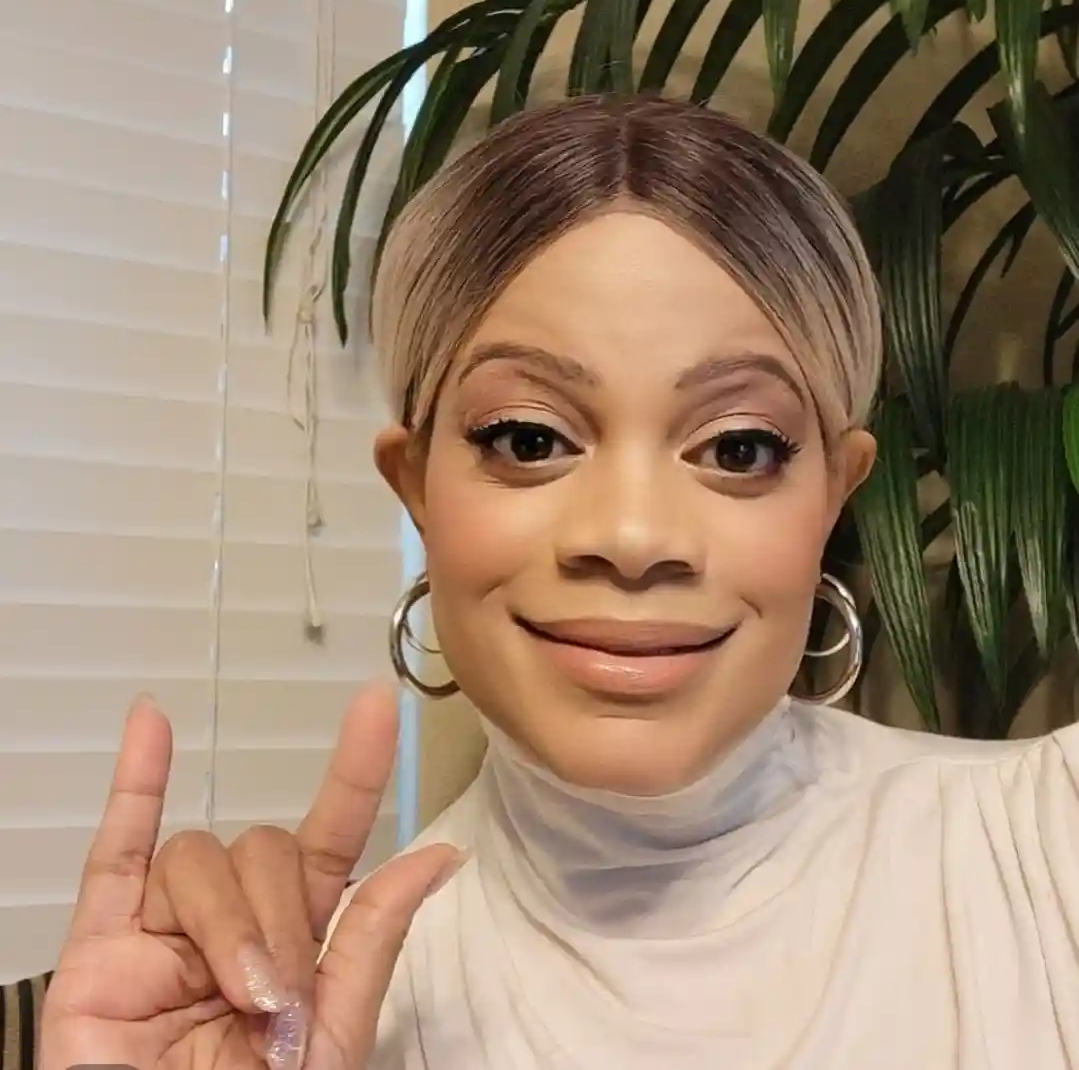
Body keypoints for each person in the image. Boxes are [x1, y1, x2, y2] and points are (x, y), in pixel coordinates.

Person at [28, 95, 1079, 1070]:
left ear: (833, 495)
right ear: (417, 487)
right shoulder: (314, 1014)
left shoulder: (1044, 848)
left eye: (739, 446)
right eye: (528, 437)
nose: (630, 537)